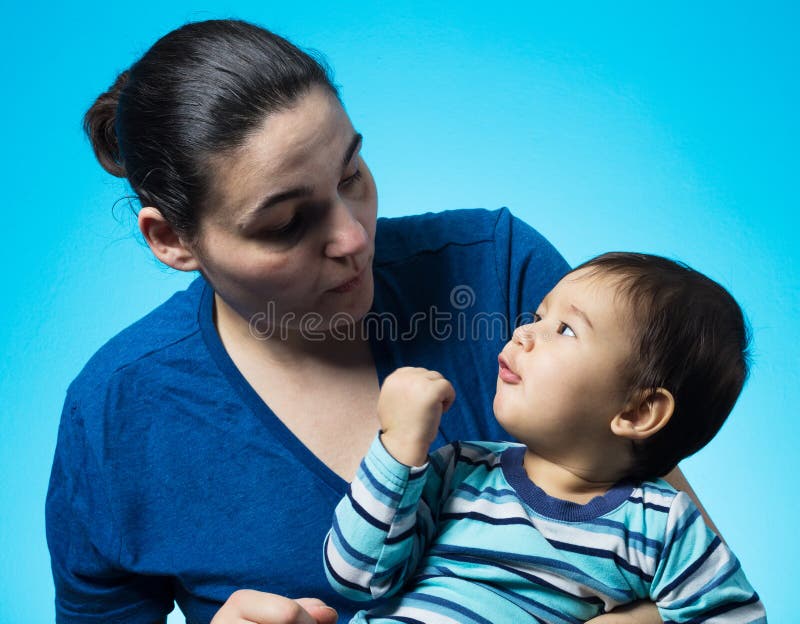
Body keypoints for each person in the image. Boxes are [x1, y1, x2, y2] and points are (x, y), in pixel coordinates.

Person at [46, 18, 697, 624]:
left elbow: (697, 595)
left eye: (351, 173)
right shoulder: (114, 419)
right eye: (285, 224)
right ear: (172, 242)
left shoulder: (503, 279)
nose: (353, 237)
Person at [324, 252, 766, 623]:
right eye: (538, 316)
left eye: (565, 330)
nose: (523, 332)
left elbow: (736, 618)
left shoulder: (659, 526)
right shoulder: (460, 468)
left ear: (637, 411)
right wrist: (397, 446)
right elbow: (357, 577)